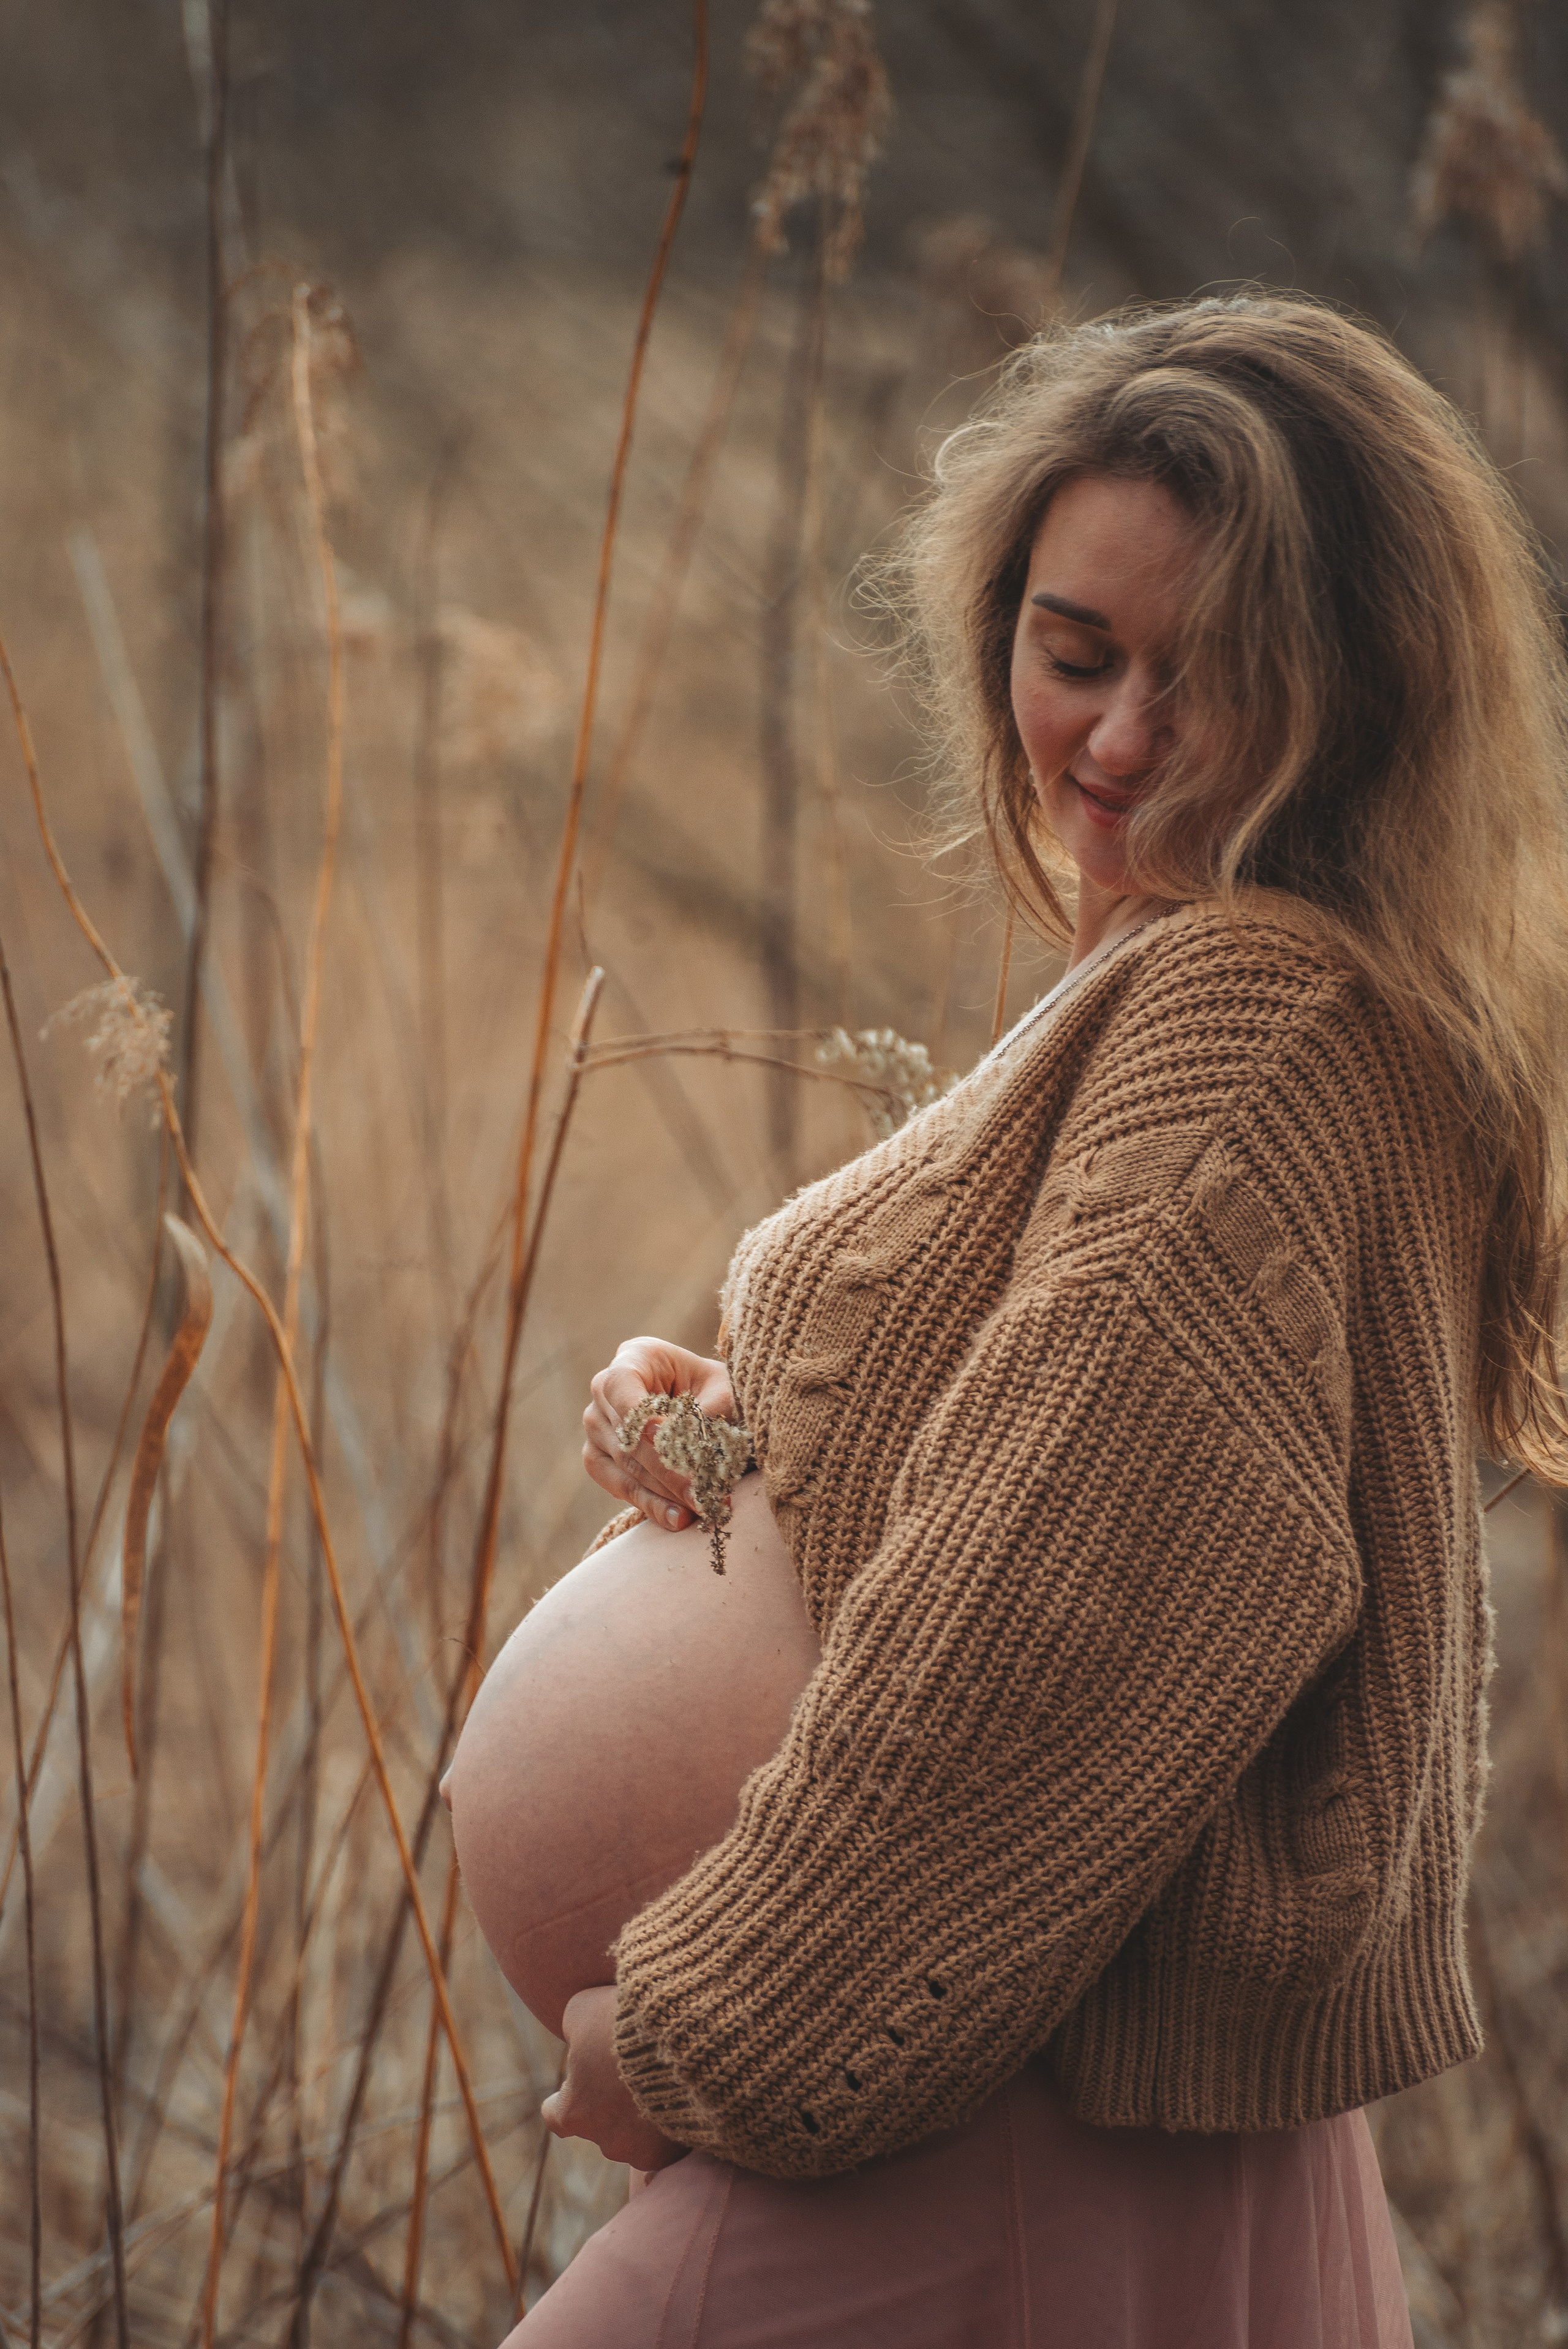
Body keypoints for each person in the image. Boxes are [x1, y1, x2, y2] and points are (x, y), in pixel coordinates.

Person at [499, 295, 1568, 2344]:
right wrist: (755, 1446)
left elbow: (1052, 1625)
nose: (1120, 737)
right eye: (1076, 653)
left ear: (1356, 701)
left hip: (994, 2118)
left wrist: (721, 2029)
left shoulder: (1254, 1021)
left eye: (1216, 682)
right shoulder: (1205, 978)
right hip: (1050, 2098)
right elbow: (1112, 1474)